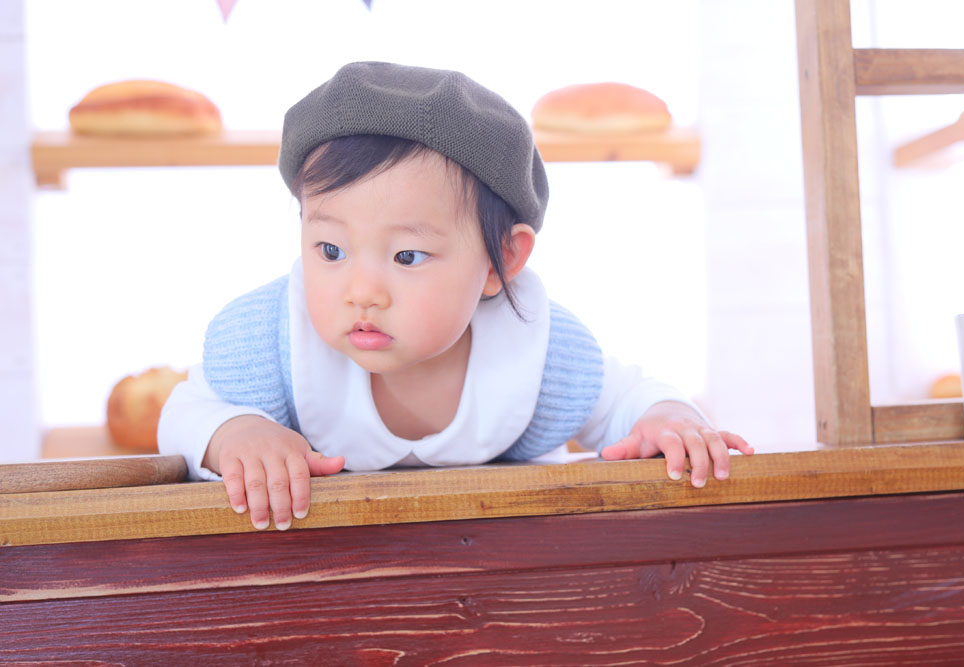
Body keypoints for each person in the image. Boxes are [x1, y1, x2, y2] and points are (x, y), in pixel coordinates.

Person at [158, 61, 753, 532]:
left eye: (407, 257)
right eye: (331, 250)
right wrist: (235, 433)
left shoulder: (534, 354)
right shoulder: (274, 345)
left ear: (501, 262)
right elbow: (184, 411)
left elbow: (623, 397)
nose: (362, 292)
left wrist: (666, 419)